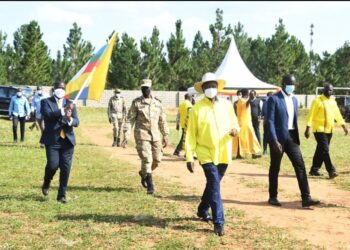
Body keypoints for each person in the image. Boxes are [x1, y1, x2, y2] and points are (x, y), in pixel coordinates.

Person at [186, 72, 240, 237]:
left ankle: (202, 209)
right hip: (205, 152)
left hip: (223, 151)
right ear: (202, 89)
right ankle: (219, 221)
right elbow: (191, 134)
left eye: (213, 85)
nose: (210, 88)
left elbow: (235, 124)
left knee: (212, 184)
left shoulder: (227, 105)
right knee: (215, 185)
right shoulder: (196, 109)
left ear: (217, 87)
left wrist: (235, 131)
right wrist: (190, 156)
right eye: (207, 86)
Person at [266, 74, 320, 207]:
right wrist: (273, 140)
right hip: (278, 139)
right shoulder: (274, 99)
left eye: (294, 84)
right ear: (284, 84)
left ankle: (306, 198)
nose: (292, 86)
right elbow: (269, 121)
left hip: (292, 138)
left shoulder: (295, 100)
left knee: (300, 166)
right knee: (275, 167)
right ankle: (273, 196)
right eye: (290, 83)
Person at [121, 79, 169, 195]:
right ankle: (150, 185)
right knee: (147, 159)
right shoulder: (136, 103)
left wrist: (166, 134)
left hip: (156, 135)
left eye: (147, 88)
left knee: (157, 160)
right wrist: (126, 136)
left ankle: (144, 173)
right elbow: (129, 120)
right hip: (142, 134)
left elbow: (162, 121)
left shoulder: (157, 103)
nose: (145, 90)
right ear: (141, 89)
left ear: (151, 88)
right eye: (143, 88)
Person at [40, 80, 79, 204]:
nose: (60, 89)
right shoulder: (46, 102)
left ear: (65, 89)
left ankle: (61, 195)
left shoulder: (71, 104)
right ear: (54, 88)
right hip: (52, 140)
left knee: (66, 168)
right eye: (58, 87)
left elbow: (77, 122)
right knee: (53, 165)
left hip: (67, 141)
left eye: (62, 88)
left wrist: (69, 119)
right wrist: (63, 111)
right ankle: (47, 181)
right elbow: (48, 115)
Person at [305, 83, 348, 178]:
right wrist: (308, 127)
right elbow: (311, 115)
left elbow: (337, 115)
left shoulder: (333, 101)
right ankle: (331, 171)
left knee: (320, 150)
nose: (330, 91)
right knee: (325, 150)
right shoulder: (317, 101)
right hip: (319, 130)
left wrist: (343, 126)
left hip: (329, 130)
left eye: (331, 90)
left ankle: (314, 170)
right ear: (324, 90)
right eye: (328, 90)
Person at [232, 88, 261, 159]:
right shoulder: (241, 101)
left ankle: (253, 153)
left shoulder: (243, 100)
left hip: (247, 122)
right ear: (247, 93)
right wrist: (250, 99)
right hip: (243, 123)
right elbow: (247, 104)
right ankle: (239, 154)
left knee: (251, 138)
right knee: (241, 139)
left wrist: (249, 99)